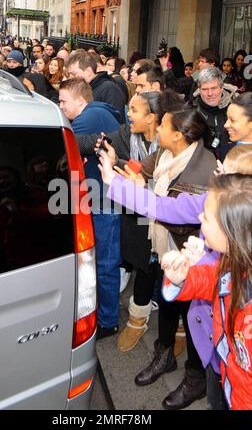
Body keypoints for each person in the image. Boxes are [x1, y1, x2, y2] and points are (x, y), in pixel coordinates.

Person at [99, 103, 217, 410]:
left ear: (178, 135)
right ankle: (164, 356)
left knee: (194, 320)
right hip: (164, 249)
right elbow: (142, 169)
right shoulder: (165, 154)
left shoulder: (203, 168)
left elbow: (173, 212)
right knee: (167, 304)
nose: (159, 131)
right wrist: (117, 165)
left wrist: (138, 188)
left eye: (164, 126)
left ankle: (196, 378)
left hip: (190, 256)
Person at [161, 173, 252, 410]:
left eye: (207, 217)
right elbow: (215, 281)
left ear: (232, 233)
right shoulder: (236, 263)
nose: (200, 216)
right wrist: (182, 278)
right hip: (227, 376)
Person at [58, 78, 121, 339]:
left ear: (81, 101)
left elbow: (62, 143)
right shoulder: (97, 112)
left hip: (104, 203)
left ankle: (108, 321)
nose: (59, 106)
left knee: (105, 264)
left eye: (63, 101)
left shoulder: (90, 116)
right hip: (98, 200)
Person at [66, 52, 127, 124]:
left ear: (88, 71)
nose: (70, 77)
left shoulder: (110, 88)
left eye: (74, 74)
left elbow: (115, 123)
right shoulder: (83, 88)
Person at [193, 66, 238, 160]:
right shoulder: (192, 112)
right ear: (199, 90)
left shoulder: (236, 109)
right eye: (205, 89)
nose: (210, 93)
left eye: (214, 88)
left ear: (222, 88)